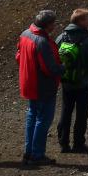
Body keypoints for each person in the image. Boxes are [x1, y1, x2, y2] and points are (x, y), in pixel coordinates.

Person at [17, 10, 61, 165]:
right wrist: (64, 68)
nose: (55, 26)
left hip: (28, 82)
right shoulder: (42, 41)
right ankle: (37, 154)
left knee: (32, 116)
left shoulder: (25, 34)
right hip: (42, 86)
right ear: (48, 25)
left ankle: (29, 151)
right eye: (53, 23)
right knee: (43, 119)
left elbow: (18, 56)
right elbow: (49, 69)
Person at [56, 9, 88, 154]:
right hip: (83, 82)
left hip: (66, 81)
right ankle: (78, 143)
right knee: (81, 113)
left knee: (66, 110)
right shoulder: (87, 40)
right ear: (80, 22)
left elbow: (55, 56)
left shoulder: (61, 37)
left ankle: (63, 143)